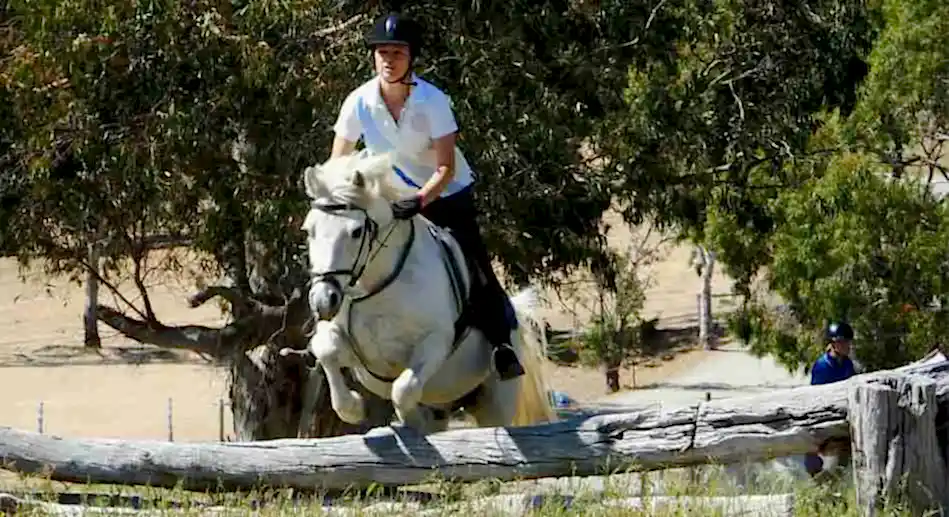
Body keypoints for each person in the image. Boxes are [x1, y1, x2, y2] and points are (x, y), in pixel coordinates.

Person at [328, 12, 525, 380]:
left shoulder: (433, 101)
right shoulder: (357, 102)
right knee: (344, 253)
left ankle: (502, 344)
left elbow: (445, 167)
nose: (388, 60)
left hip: (445, 195)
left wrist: (420, 201)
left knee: (476, 265)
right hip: (391, 198)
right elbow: (337, 163)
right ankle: (333, 330)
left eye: (397, 53)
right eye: (382, 53)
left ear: (411, 58)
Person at [804, 321, 857, 477]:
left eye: (848, 342)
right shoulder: (822, 366)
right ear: (833, 344)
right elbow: (816, 398)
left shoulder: (847, 364)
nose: (847, 346)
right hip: (823, 417)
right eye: (843, 342)